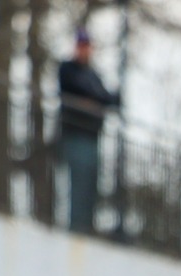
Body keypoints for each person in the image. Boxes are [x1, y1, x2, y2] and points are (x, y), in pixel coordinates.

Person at [57, 28, 120, 236]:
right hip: (75, 133)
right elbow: (77, 89)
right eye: (81, 45)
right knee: (77, 181)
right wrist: (95, 100)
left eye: (87, 46)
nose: (84, 50)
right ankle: (75, 227)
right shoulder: (68, 69)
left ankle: (86, 227)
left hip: (92, 136)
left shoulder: (93, 74)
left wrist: (96, 100)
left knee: (91, 184)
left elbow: (108, 98)